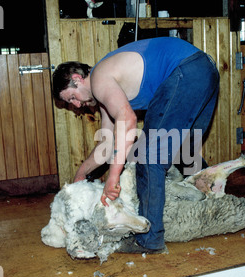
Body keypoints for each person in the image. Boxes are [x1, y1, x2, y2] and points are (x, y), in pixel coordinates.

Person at [52, 37, 219, 254]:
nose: (75, 106)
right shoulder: (105, 94)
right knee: (184, 151)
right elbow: (107, 144)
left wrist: (113, 177)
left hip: (184, 71)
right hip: (204, 70)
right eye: (69, 104)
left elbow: (128, 119)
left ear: (78, 78)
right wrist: (82, 172)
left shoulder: (100, 78)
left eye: (72, 97)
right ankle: (212, 206)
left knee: (148, 157)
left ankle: (149, 240)